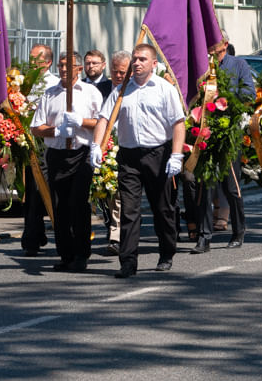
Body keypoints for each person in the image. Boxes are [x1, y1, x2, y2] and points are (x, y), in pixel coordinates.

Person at [92, 43, 185, 278]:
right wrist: (96, 145)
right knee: (129, 211)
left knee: (162, 208)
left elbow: (178, 123)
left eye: (142, 59)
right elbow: (104, 118)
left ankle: (166, 252)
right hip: (129, 156)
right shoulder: (122, 90)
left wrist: (176, 155)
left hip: (158, 154)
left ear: (154, 63)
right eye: (135, 59)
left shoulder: (165, 88)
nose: (137, 62)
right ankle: (128, 262)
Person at [30, 52, 102, 272]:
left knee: (78, 205)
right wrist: (56, 130)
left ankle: (82, 254)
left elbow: (102, 122)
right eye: (61, 65)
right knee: (59, 207)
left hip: (80, 155)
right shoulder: (50, 94)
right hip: (57, 155)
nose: (63, 69)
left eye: (68, 65)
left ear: (78, 69)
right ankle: (66, 254)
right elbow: (36, 127)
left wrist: (81, 122)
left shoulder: (90, 92)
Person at [190, 33, 255, 253]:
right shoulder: (201, 65)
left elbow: (249, 93)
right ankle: (204, 236)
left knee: (230, 186)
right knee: (204, 187)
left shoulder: (238, 64)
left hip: (228, 131)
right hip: (204, 132)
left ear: (224, 45)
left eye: (214, 44)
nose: (210, 48)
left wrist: (227, 100)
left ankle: (238, 231)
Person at [21, 43, 61, 257]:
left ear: (47, 62)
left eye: (35, 59)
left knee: (44, 192)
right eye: (30, 58)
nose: (31, 63)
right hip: (27, 142)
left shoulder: (54, 84)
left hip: (46, 143)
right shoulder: (24, 82)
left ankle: (47, 233)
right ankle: (32, 237)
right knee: (31, 193)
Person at [98, 50, 131, 257]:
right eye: (114, 72)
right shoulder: (100, 89)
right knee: (104, 194)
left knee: (118, 195)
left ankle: (116, 237)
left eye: (122, 72)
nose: (118, 76)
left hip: (125, 148)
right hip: (104, 146)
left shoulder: (133, 90)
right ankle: (111, 226)